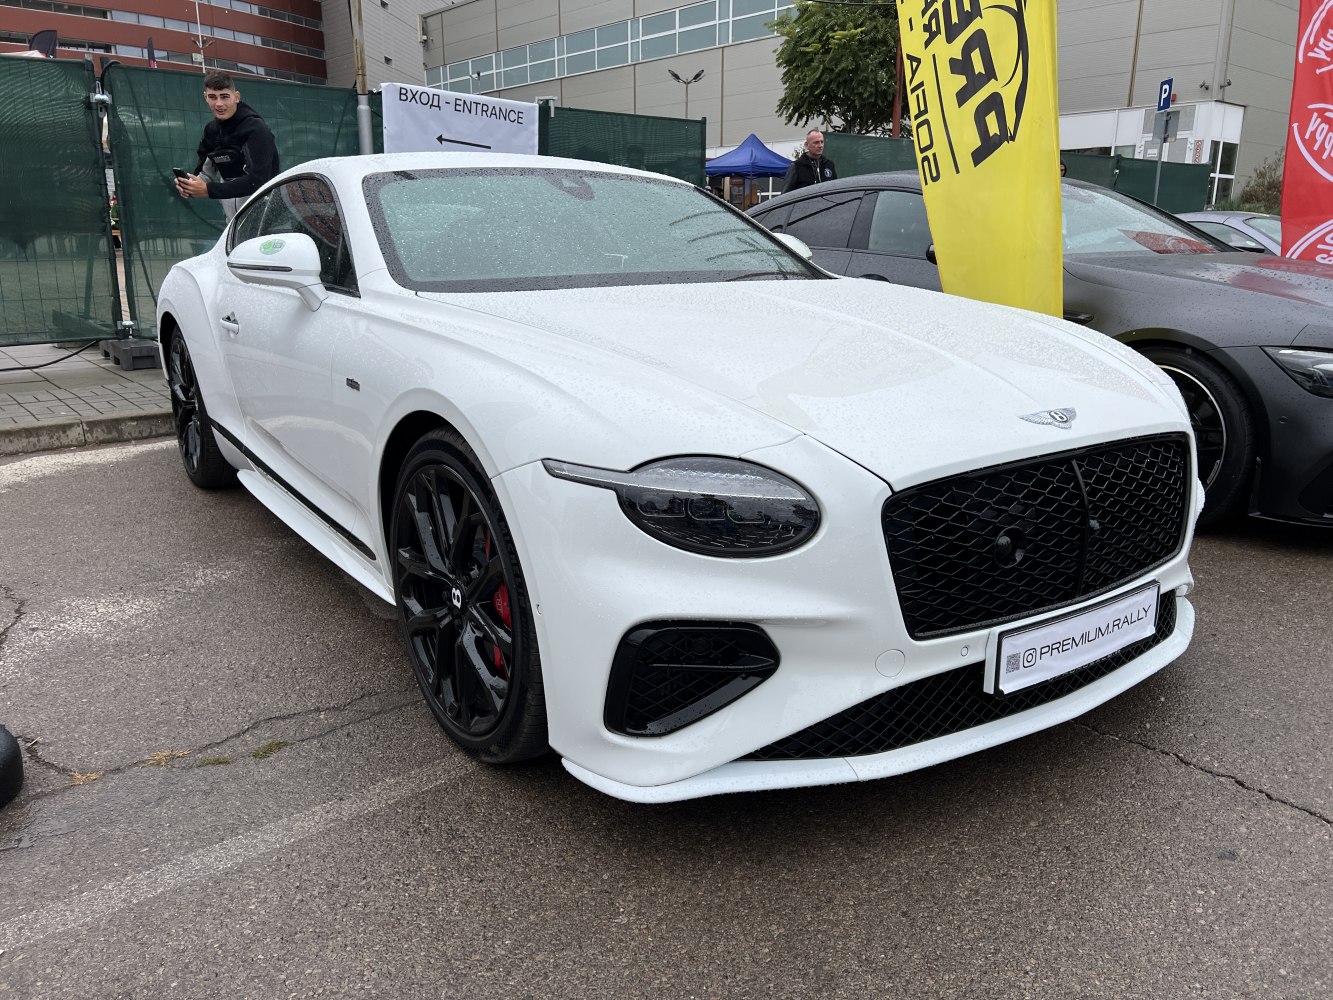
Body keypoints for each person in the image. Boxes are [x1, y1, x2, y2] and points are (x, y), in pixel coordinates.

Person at [175, 70, 280, 220]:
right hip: (233, 222)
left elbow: (258, 180)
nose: (219, 104)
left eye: (224, 96)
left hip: (267, 220)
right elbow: (205, 174)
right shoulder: (211, 130)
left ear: (236, 97)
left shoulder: (256, 128)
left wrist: (209, 190)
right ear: (205, 97)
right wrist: (190, 185)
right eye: (212, 97)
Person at [781, 129, 837, 194]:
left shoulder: (829, 165)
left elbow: (835, 190)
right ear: (807, 145)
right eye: (816, 142)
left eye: (822, 142)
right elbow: (785, 194)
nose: (820, 145)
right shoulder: (796, 166)